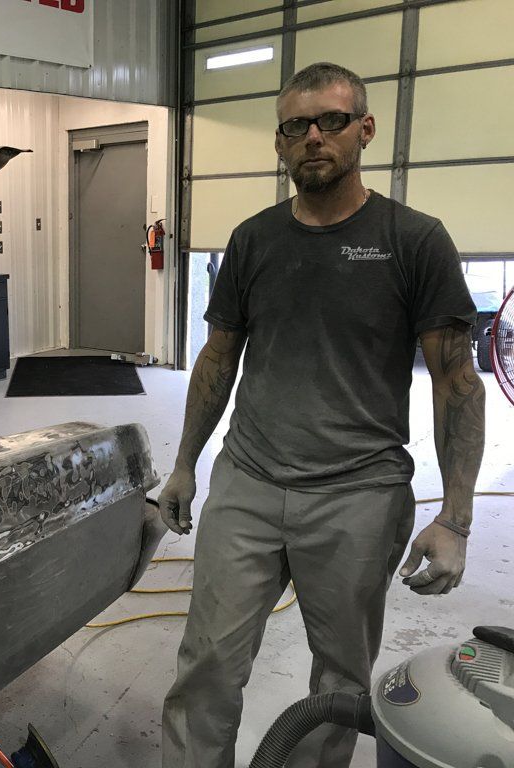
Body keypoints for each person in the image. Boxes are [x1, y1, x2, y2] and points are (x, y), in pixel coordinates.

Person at [159, 61, 485, 768]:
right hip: (247, 481)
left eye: (331, 121)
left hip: (358, 494)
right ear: (279, 144)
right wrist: (186, 464)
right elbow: (218, 359)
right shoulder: (252, 240)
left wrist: (454, 519)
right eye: (295, 126)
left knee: (338, 688)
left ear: (364, 130)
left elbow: (458, 382)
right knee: (206, 667)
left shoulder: (414, 240)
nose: (313, 136)